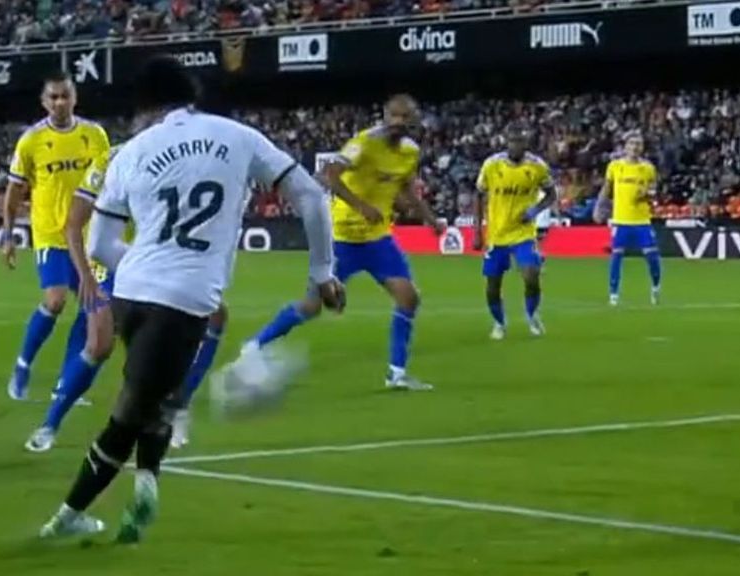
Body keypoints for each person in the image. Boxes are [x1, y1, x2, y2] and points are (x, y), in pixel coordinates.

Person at [38, 55, 344, 543]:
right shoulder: (238, 136)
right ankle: (69, 514)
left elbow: (99, 245)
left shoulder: (131, 151)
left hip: (131, 294)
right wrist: (322, 273)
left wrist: (143, 264)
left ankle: (146, 487)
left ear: (145, 106)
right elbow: (310, 196)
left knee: (157, 395)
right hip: (184, 299)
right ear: (190, 95)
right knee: (132, 412)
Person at [22, 144, 229, 452]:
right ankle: (50, 424)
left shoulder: (186, 158)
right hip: (111, 259)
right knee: (99, 345)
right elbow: (74, 224)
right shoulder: (110, 160)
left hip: (158, 256)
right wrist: (87, 277)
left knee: (215, 315)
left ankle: (179, 403)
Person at [241, 94, 441, 391]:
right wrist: (361, 206)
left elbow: (407, 188)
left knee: (409, 297)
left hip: (377, 240)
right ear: (385, 116)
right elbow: (330, 176)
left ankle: (396, 374)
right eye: (394, 116)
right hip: (342, 239)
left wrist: (430, 218)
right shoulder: (363, 142)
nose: (398, 122)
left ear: (413, 120)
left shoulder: (410, 151)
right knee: (312, 306)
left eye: (405, 117)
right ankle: (254, 346)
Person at [2, 71, 110, 401]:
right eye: (54, 97)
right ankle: (23, 364)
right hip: (50, 232)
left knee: (90, 307)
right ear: (44, 101)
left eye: (65, 96)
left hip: (90, 236)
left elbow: (110, 183)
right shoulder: (31, 140)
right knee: (56, 299)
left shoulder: (95, 135)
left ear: (75, 98)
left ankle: (66, 384)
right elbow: (13, 191)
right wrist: (8, 235)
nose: (60, 102)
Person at [473, 124, 558, 340]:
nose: (516, 145)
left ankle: (532, 315)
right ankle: (499, 323)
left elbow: (551, 194)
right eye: (513, 141)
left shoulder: (537, 166)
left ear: (526, 143)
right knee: (493, 285)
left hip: (523, 233)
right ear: (507, 142)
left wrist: (534, 210)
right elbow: (478, 195)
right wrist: (477, 231)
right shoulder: (492, 165)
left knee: (531, 275)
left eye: (520, 141)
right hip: (497, 234)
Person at [594, 131, 661, 306]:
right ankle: (613, 294)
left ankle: (655, 287)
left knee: (652, 257)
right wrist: (599, 206)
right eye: (631, 144)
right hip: (621, 220)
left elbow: (654, 192)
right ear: (625, 147)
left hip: (642, 220)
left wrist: (646, 195)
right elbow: (606, 188)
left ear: (642, 148)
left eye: (638, 144)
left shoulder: (648, 168)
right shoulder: (615, 166)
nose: (634, 147)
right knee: (616, 257)